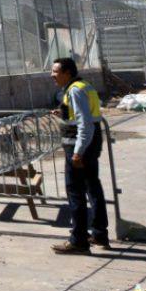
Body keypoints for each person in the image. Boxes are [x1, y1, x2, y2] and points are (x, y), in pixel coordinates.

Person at [50, 58, 110, 254]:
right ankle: (99, 234)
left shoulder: (75, 90)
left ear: (67, 73)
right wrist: (64, 113)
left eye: (55, 71)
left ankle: (79, 240)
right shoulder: (85, 86)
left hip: (80, 147)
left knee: (75, 192)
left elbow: (84, 123)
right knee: (93, 186)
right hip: (90, 144)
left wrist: (77, 153)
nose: (52, 75)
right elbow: (86, 116)